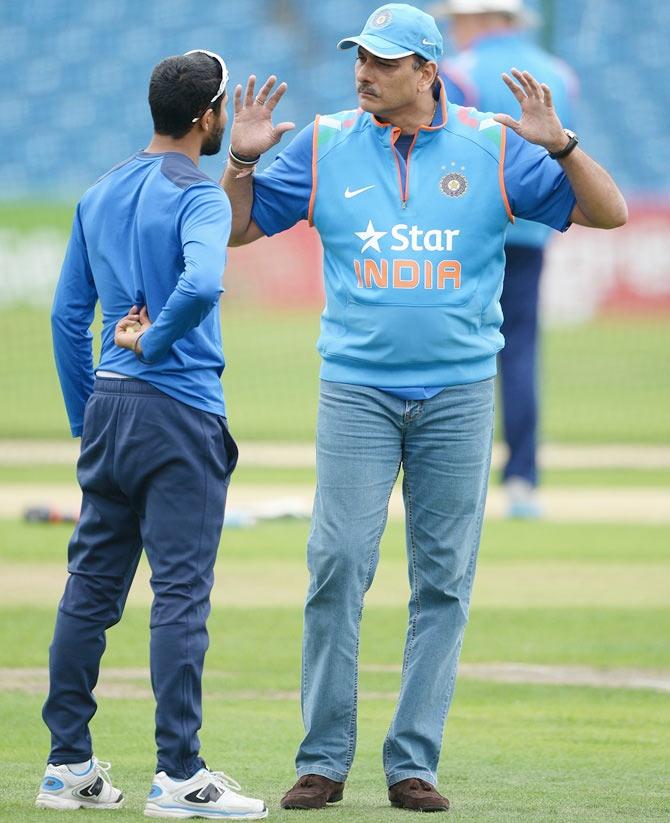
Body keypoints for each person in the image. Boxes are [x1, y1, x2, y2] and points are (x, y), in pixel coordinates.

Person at [222, 3, 626, 812]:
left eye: (385, 60)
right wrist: (239, 163)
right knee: (337, 564)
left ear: (428, 71)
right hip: (356, 391)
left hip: (459, 394)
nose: (364, 72)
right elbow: (235, 232)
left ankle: (413, 762)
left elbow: (607, 212)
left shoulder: (494, 143)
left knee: (442, 582)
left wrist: (564, 146)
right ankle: (322, 759)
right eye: (360, 58)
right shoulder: (326, 143)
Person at [38, 51, 268, 819]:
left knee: (90, 590)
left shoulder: (99, 191)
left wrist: (87, 419)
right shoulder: (199, 198)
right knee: (179, 596)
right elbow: (202, 283)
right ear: (209, 117)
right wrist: (157, 340)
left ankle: (67, 765)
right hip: (178, 411)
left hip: (109, 407)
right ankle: (179, 774)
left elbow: (69, 318)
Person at [434, 0, 579, 517]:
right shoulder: (558, 74)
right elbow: (568, 158)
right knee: (518, 353)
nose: (454, 27)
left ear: (482, 19)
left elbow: (441, 150)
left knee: (449, 345)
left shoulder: (457, 72)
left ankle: (439, 472)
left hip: (468, 228)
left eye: (459, 19)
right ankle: (522, 479)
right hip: (534, 226)